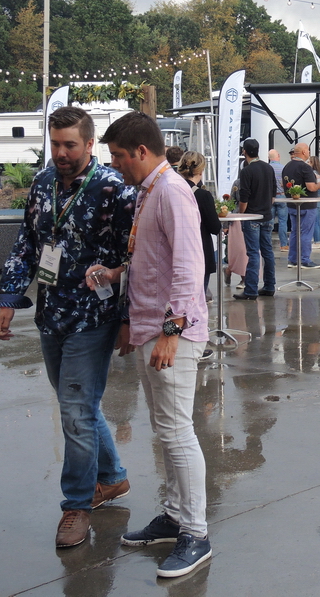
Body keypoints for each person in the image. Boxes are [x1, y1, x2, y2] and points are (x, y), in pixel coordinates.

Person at [0, 106, 136, 548]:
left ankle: (76, 505)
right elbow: (27, 244)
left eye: (69, 144)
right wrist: (9, 298)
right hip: (50, 313)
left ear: (89, 144)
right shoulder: (40, 184)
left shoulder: (114, 190)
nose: (61, 152)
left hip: (94, 318)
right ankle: (111, 477)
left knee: (75, 411)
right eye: (55, 144)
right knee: (80, 407)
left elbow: (133, 261)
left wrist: (129, 319)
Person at [92, 112, 212, 579]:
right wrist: (120, 276)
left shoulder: (172, 191)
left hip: (171, 333)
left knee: (178, 432)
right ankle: (175, 517)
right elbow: (155, 256)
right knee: (166, 431)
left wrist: (171, 329)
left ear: (141, 151)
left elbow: (188, 265)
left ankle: (196, 534)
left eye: (119, 156)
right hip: (150, 328)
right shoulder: (151, 190)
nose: (116, 165)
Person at [234, 137, 277, 300]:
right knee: (267, 252)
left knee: (253, 253)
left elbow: (244, 197)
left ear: (244, 151)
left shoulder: (246, 171)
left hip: (252, 216)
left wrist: (242, 213)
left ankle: (251, 289)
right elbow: (273, 193)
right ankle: (269, 286)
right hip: (267, 215)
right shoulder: (268, 168)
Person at [178, 151, 221, 298]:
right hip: (199, 249)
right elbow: (215, 227)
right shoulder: (203, 195)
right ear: (201, 170)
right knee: (196, 300)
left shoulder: (173, 190)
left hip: (176, 250)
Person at [282, 142, 320, 269]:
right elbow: (311, 187)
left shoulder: (287, 166)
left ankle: (293, 259)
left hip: (292, 205)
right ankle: (305, 259)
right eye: (308, 151)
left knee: (295, 232)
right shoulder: (305, 168)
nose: (309, 153)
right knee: (306, 232)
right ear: (304, 152)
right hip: (307, 205)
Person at [268, 149, 289, 251]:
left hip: (269, 198)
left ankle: (267, 244)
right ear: (278, 156)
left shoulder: (267, 168)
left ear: (269, 158)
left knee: (269, 221)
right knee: (283, 221)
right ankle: (283, 245)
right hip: (282, 196)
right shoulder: (284, 168)